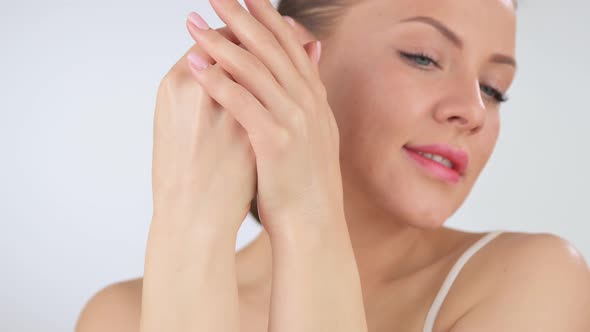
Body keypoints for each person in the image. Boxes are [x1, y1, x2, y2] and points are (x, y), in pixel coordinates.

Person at [75, 0, 590, 331]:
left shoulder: (533, 281)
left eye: (494, 89)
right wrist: (192, 226)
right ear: (288, 55)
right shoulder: (117, 319)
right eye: (423, 57)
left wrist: (307, 213)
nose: (474, 111)